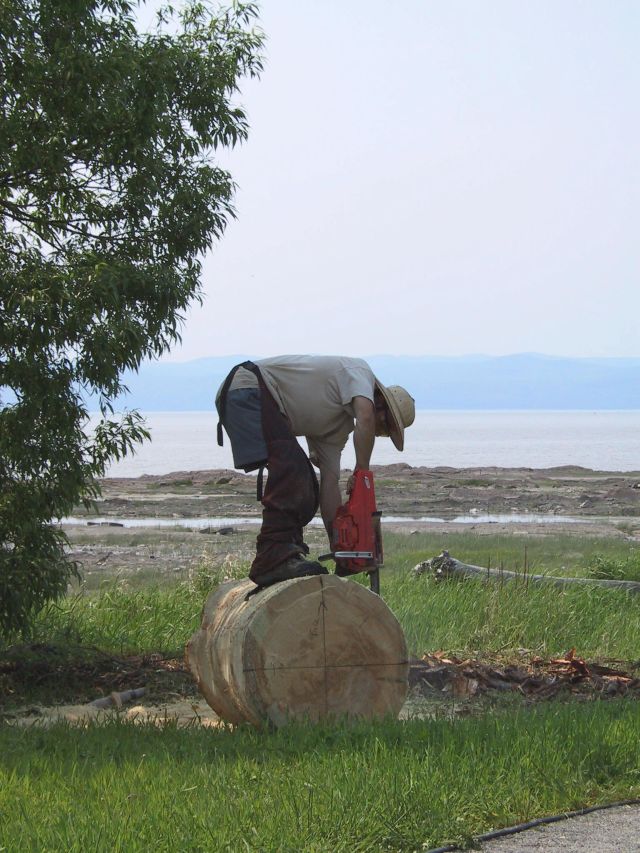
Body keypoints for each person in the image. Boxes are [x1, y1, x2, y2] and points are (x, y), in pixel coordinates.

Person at [216, 355, 415, 589]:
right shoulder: (359, 371)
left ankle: (284, 554)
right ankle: (274, 558)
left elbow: (330, 485)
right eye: (388, 426)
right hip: (249, 387)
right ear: (380, 402)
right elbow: (366, 417)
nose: (382, 433)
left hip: (260, 400)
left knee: (308, 486)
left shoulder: (336, 429)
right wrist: (362, 470)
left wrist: (341, 547)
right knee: (293, 472)